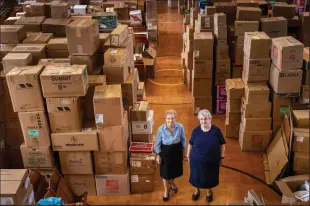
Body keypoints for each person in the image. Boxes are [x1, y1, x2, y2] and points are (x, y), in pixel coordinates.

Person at [187, 109, 226, 202]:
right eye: (201, 119)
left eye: (205, 119)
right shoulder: (195, 131)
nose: (203, 121)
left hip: (212, 161)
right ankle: (196, 191)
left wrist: (222, 156)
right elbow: (190, 143)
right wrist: (188, 155)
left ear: (210, 119)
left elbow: (222, 144)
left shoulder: (216, 131)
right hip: (196, 160)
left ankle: (209, 192)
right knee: (196, 176)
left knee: (210, 176)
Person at [154, 109, 186, 202]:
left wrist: (184, 151)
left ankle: (172, 183)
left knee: (175, 171)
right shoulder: (161, 129)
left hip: (177, 151)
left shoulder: (180, 127)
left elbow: (183, 139)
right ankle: (166, 190)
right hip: (165, 153)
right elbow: (157, 144)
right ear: (165, 119)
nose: (170, 121)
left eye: (172, 118)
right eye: (168, 118)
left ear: (176, 119)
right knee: (165, 173)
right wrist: (158, 155)